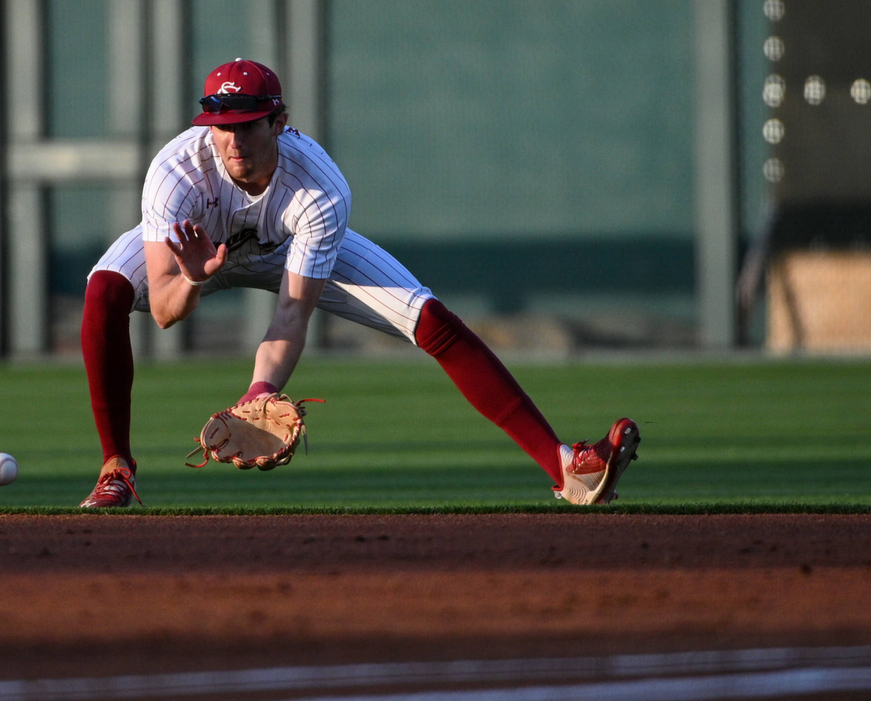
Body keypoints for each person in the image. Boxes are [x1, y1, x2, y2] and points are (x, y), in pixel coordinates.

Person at [78, 59, 639, 508]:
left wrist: (259, 392)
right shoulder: (174, 172)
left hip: (288, 251)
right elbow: (166, 311)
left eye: (246, 125)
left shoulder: (319, 187)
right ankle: (117, 469)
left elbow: (292, 316)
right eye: (221, 127)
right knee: (104, 291)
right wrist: (197, 277)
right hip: (202, 253)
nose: (232, 141)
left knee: (431, 321)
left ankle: (567, 470)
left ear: (277, 122)